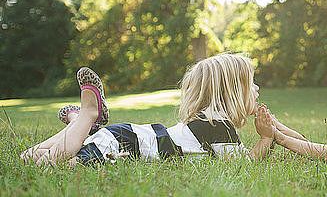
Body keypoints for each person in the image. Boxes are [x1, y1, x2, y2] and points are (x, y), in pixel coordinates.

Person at [21, 53, 284, 166]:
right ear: (233, 92)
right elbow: (246, 163)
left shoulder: (208, 122)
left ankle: (78, 124)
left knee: (30, 158)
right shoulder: (216, 126)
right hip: (123, 145)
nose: (257, 88)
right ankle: (87, 116)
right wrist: (266, 137)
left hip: (123, 138)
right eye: (252, 83)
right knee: (49, 164)